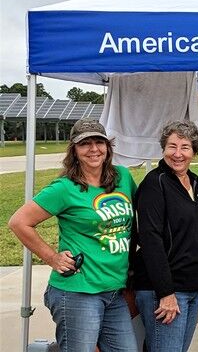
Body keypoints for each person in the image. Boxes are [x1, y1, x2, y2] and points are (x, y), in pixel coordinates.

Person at [8, 118, 138, 352]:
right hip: (78, 292)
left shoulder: (123, 178)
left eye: (99, 142)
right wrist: (52, 257)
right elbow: (19, 222)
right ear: (74, 151)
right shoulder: (64, 188)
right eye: (84, 144)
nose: (93, 149)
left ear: (108, 147)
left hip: (114, 291)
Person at [132, 120, 198, 352]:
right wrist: (166, 293)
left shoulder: (195, 182)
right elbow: (150, 239)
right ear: (163, 149)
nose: (177, 154)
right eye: (171, 146)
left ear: (194, 151)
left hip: (192, 286)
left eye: (185, 147)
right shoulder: (154, 184)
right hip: (165, 290)